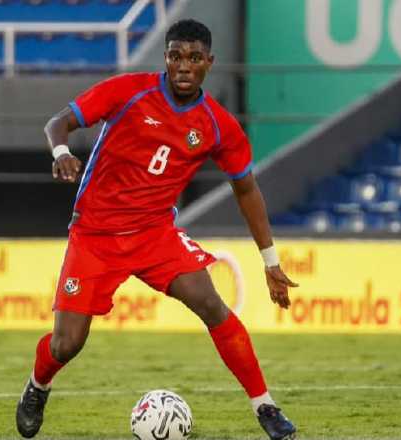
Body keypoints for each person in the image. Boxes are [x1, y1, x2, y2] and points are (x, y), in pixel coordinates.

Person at [15, 18, 298, 440]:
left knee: (211, 303)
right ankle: (38, 387)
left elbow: (246, 190)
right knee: (66, 344)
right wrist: (60, 151)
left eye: (194, 58)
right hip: (95, 233)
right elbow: (58, 122)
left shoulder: (219, 125)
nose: (184, 66)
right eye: (176, 56)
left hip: (154, 234)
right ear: (165, 58)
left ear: (209, 63)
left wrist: (270, 260)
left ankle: (266, 407)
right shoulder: (127, 91)